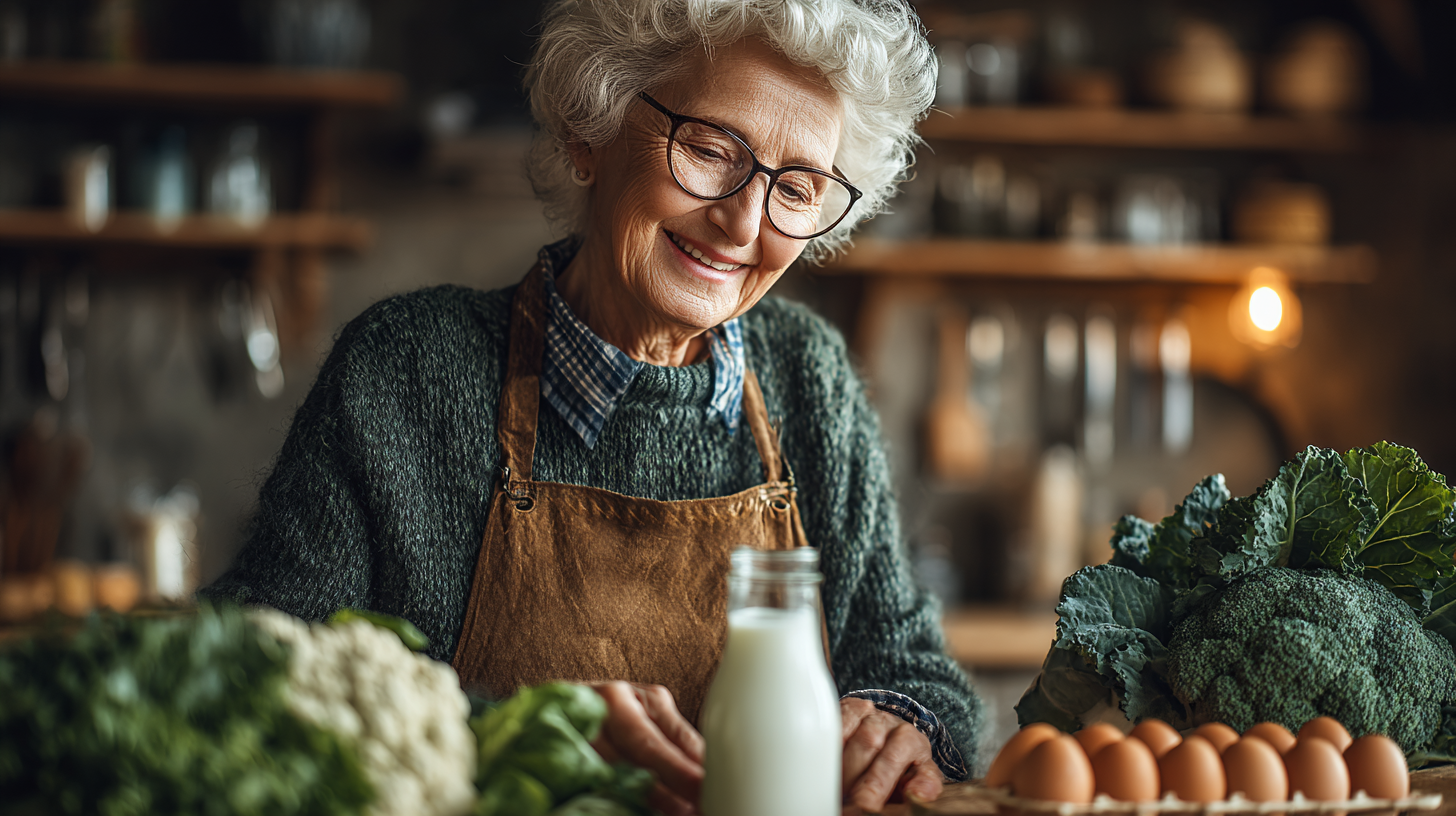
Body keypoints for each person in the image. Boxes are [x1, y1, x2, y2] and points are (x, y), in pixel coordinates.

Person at [204, 0, 984, 812]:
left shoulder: (809, 378)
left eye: (798, 188)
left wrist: (902, 722)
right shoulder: (405, 371)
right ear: (590, 131)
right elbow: (251, 672)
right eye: (710, 149)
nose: (742, 222)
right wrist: (527, 739)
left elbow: (914, 668)